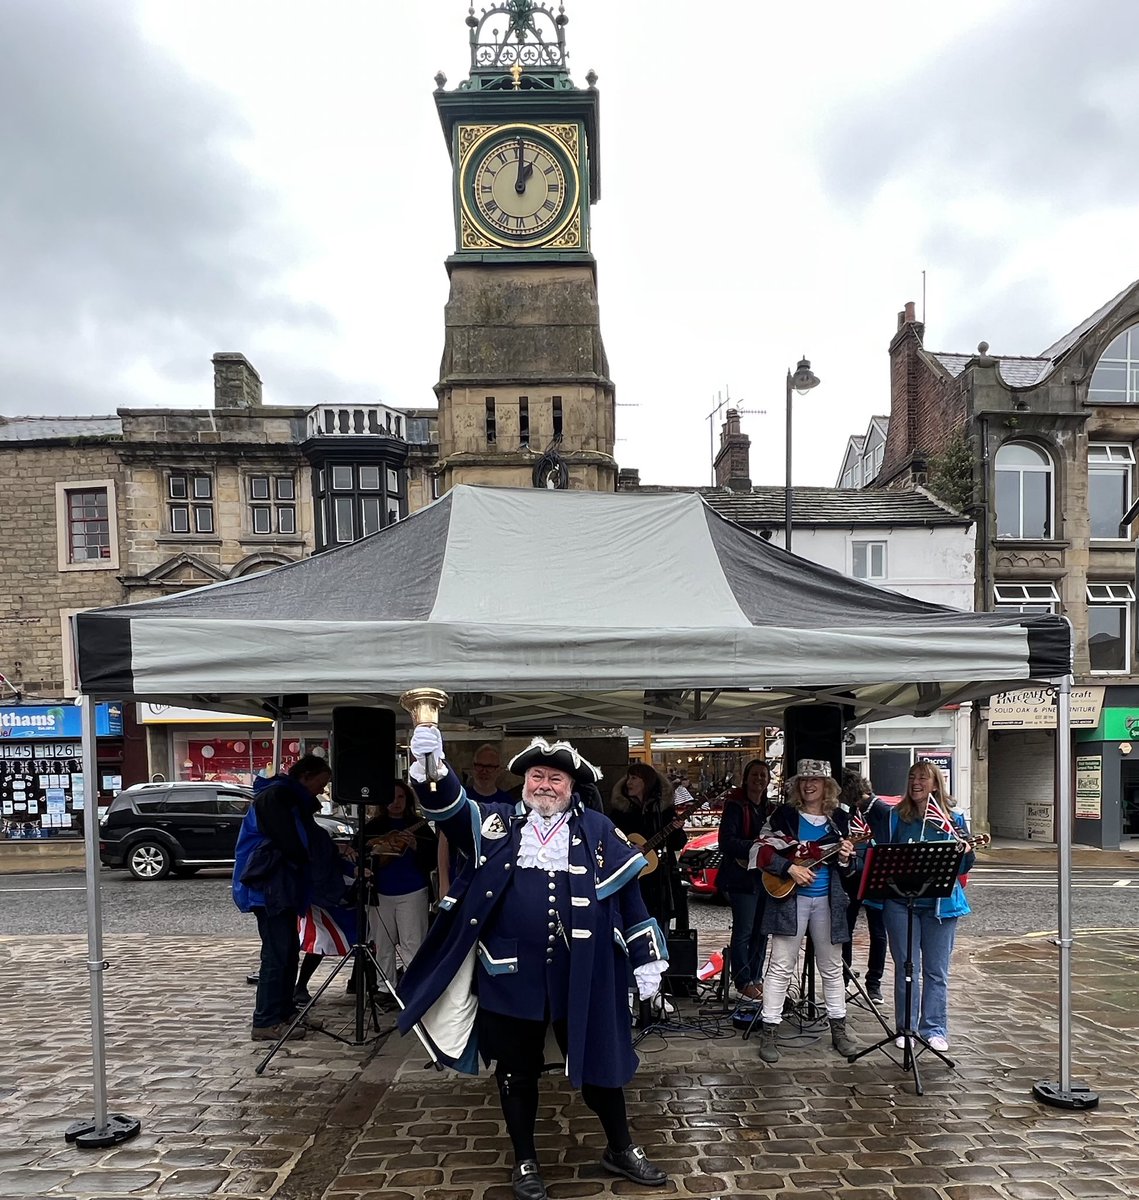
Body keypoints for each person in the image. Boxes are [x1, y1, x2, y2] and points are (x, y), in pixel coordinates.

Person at [398, 729, 669, 1200]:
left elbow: (630, 896)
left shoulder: (597, 830)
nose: (545, 784)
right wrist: (432, 768)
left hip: (581, 976)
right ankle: (525, 1159)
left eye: (555, 778)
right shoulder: (499, 823)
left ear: (571, 786)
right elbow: (452, 811)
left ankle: (621, 1148)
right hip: (510, 974)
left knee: (601, 1060)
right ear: (523, 782)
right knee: (516, 1071)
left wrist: (647, 956)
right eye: (537, 776)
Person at [753, 759, 860, 1063]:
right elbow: (760, 850)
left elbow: (851, 870)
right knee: (781, 966)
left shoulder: (840, 820)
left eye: (815, 780)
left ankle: (839, 1030)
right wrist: (789, 868)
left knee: (831, 967)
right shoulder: (783, 816)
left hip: (828, 901)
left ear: (827, 786)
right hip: (790, 899)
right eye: (803, 780)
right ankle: (770, 1029)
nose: (809, 785)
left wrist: (844, 858)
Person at [869, 760, 974, 1053]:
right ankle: (906, 1027)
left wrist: (965, 852)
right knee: (906, 968)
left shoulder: (952, 818)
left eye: (923, 778)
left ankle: (934, 1028)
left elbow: (964, 866)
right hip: (901, 903)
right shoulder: (895, 817)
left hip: (940, 904)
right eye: (912, 777)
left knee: (936, 971)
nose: (916, 782)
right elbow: (880, 854)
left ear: (936, 784)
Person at [232, 754, 331, 1041]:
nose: (322, 791)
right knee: (277, 953)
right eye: (321, 784)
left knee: (287, 951)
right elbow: (292, 844)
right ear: (305, 777)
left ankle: (285, 1013)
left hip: (280, 887)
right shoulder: (276, 798)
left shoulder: (288, 799)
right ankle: (265, 1019)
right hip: (269, 888)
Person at [363, 779, 437, 994]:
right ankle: (385, 988)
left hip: (413, 891)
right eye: (391, 797)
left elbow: (433, 859)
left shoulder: (420, 825)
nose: (396, 802)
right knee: (382, 944)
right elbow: (360, 854)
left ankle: (413, 989)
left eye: (401, 797)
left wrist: (416, 845)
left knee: (412, 943)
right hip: (381, 892)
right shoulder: (373, 827)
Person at [716, 758, 773, 1001]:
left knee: (762, 931)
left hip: (766, 878)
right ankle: (742, 979)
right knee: (744, 930)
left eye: (763, 775)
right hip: (742, 878)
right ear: (746, 778)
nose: (759, 779)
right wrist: (757, 847)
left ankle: (757, 978)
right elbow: (726, 842)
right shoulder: (735, 805)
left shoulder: (770, 809)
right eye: (755, 775)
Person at [608, 762, 689, 935]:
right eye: (629, 777)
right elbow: (609, 842)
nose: (628, 782)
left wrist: (677, 829)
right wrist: (628, 847)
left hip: (660, 880)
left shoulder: (663, 811)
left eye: (634, 778)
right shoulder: (620, 812)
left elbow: (678, 843)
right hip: (633, 879)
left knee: (660, 929)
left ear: (647, 782)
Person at [438, 743, 514, 897]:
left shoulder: (509, 804)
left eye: (490, 766)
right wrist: (444, 884)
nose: (484, 771)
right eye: (479, 765)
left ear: (499, 770)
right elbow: (444, 843)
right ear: (473, 768)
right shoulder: (458, 800)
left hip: (497, 883)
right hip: (461, 880)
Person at [839, 769, 889, 1003]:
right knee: (845, 930)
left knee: (877, 932)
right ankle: (844, 978)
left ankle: (874, 983)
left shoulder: (880, 810)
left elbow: (888, 843)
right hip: (853, 877)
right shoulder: (851, 811)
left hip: (876, 877)